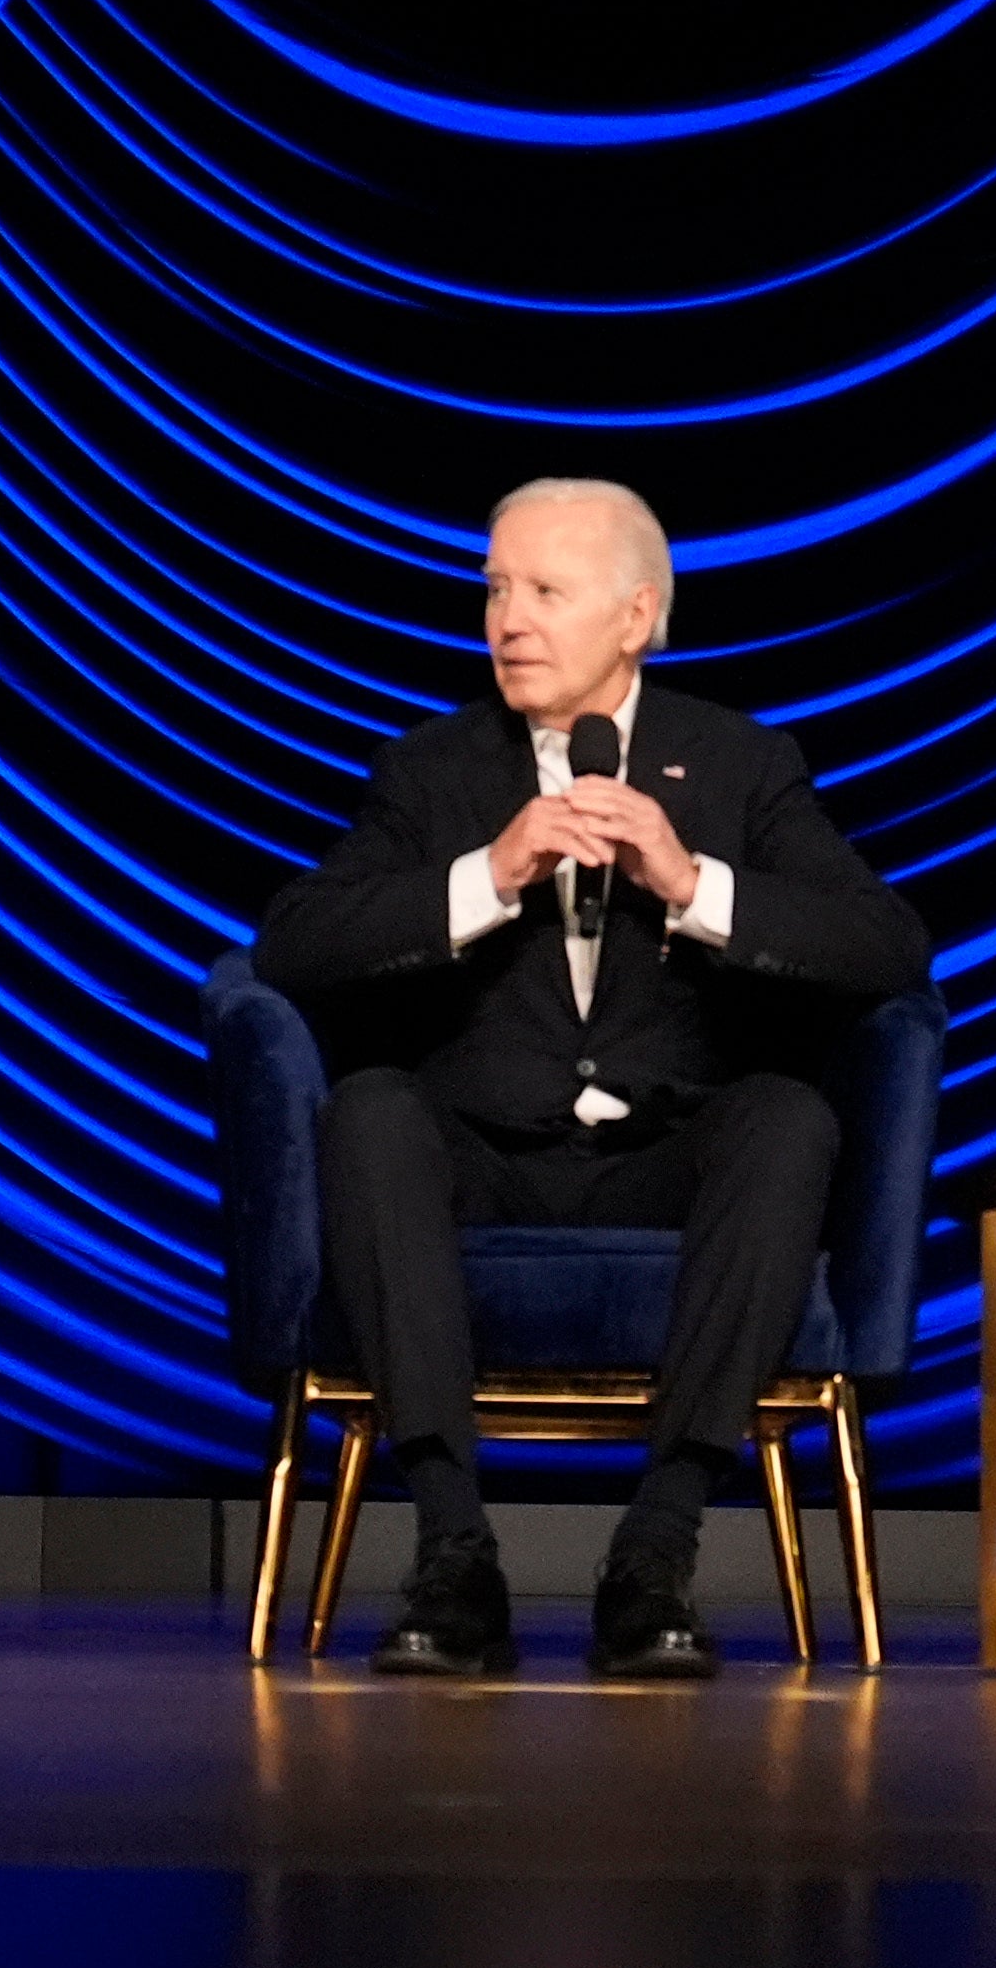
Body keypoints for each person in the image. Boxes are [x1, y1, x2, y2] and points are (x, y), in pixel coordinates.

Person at [254, 480, 933, 1680]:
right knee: (368, 1112)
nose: (507, 619)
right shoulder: (436, 768)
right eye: (496, 590)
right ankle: (454, 1554)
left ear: (636, 615)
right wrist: (489, 870)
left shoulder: (739, 762)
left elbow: (886, 947)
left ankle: (657, 1554)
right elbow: (296, 943)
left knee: (786, 1119)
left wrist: (691, 883)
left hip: (665, 1171)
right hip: (483, 1165)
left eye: (544, 593)